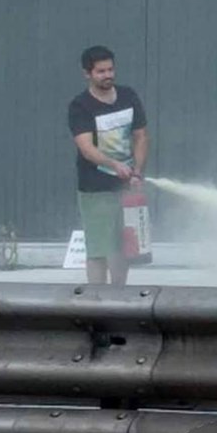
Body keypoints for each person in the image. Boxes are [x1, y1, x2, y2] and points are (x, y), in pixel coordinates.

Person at [68, 45, 148, 286]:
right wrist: (114, 164)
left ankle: (119, 294)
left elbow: (141, 136)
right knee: (98, 249)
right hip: (96, 188)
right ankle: (97, 297)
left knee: (124, 247)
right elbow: (86, 148)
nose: (108, 75)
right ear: (87, 74)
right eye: (101, 71)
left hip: (127, 186)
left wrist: (137, 172)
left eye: (110, 69)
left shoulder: (128, 96)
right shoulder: (80, 106)